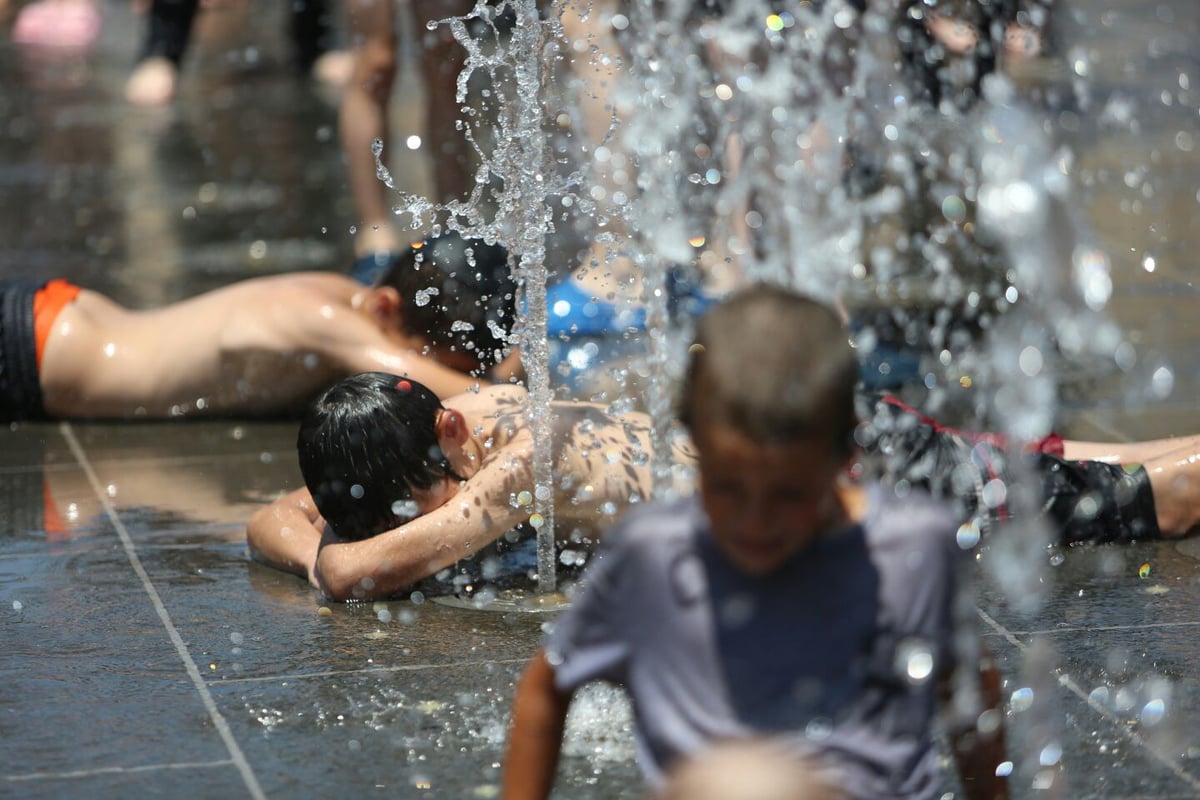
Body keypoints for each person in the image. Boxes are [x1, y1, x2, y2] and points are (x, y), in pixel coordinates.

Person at [500, 284, 1009, 799]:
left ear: (845, 459)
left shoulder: (911, 548)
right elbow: (547, 686)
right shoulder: (654, 554)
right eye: (726, 488)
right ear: (692, 445)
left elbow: (969, 685)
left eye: (789, 494)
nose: (755, 520)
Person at [245, 370, 697, 598]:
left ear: (451, 429)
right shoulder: (431, 434)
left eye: (406, 511)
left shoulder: (527, 462)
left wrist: (328, 562)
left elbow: (347, 575)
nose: (400, 528)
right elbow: (272, 518)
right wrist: (315, 560)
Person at [0, 232, 515, 421]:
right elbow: (428, 382)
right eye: (430, 352)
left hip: (60, 326)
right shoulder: (322, 320)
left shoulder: (341, 293)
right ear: (385, 308)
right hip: (37, 350)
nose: (427, 364)